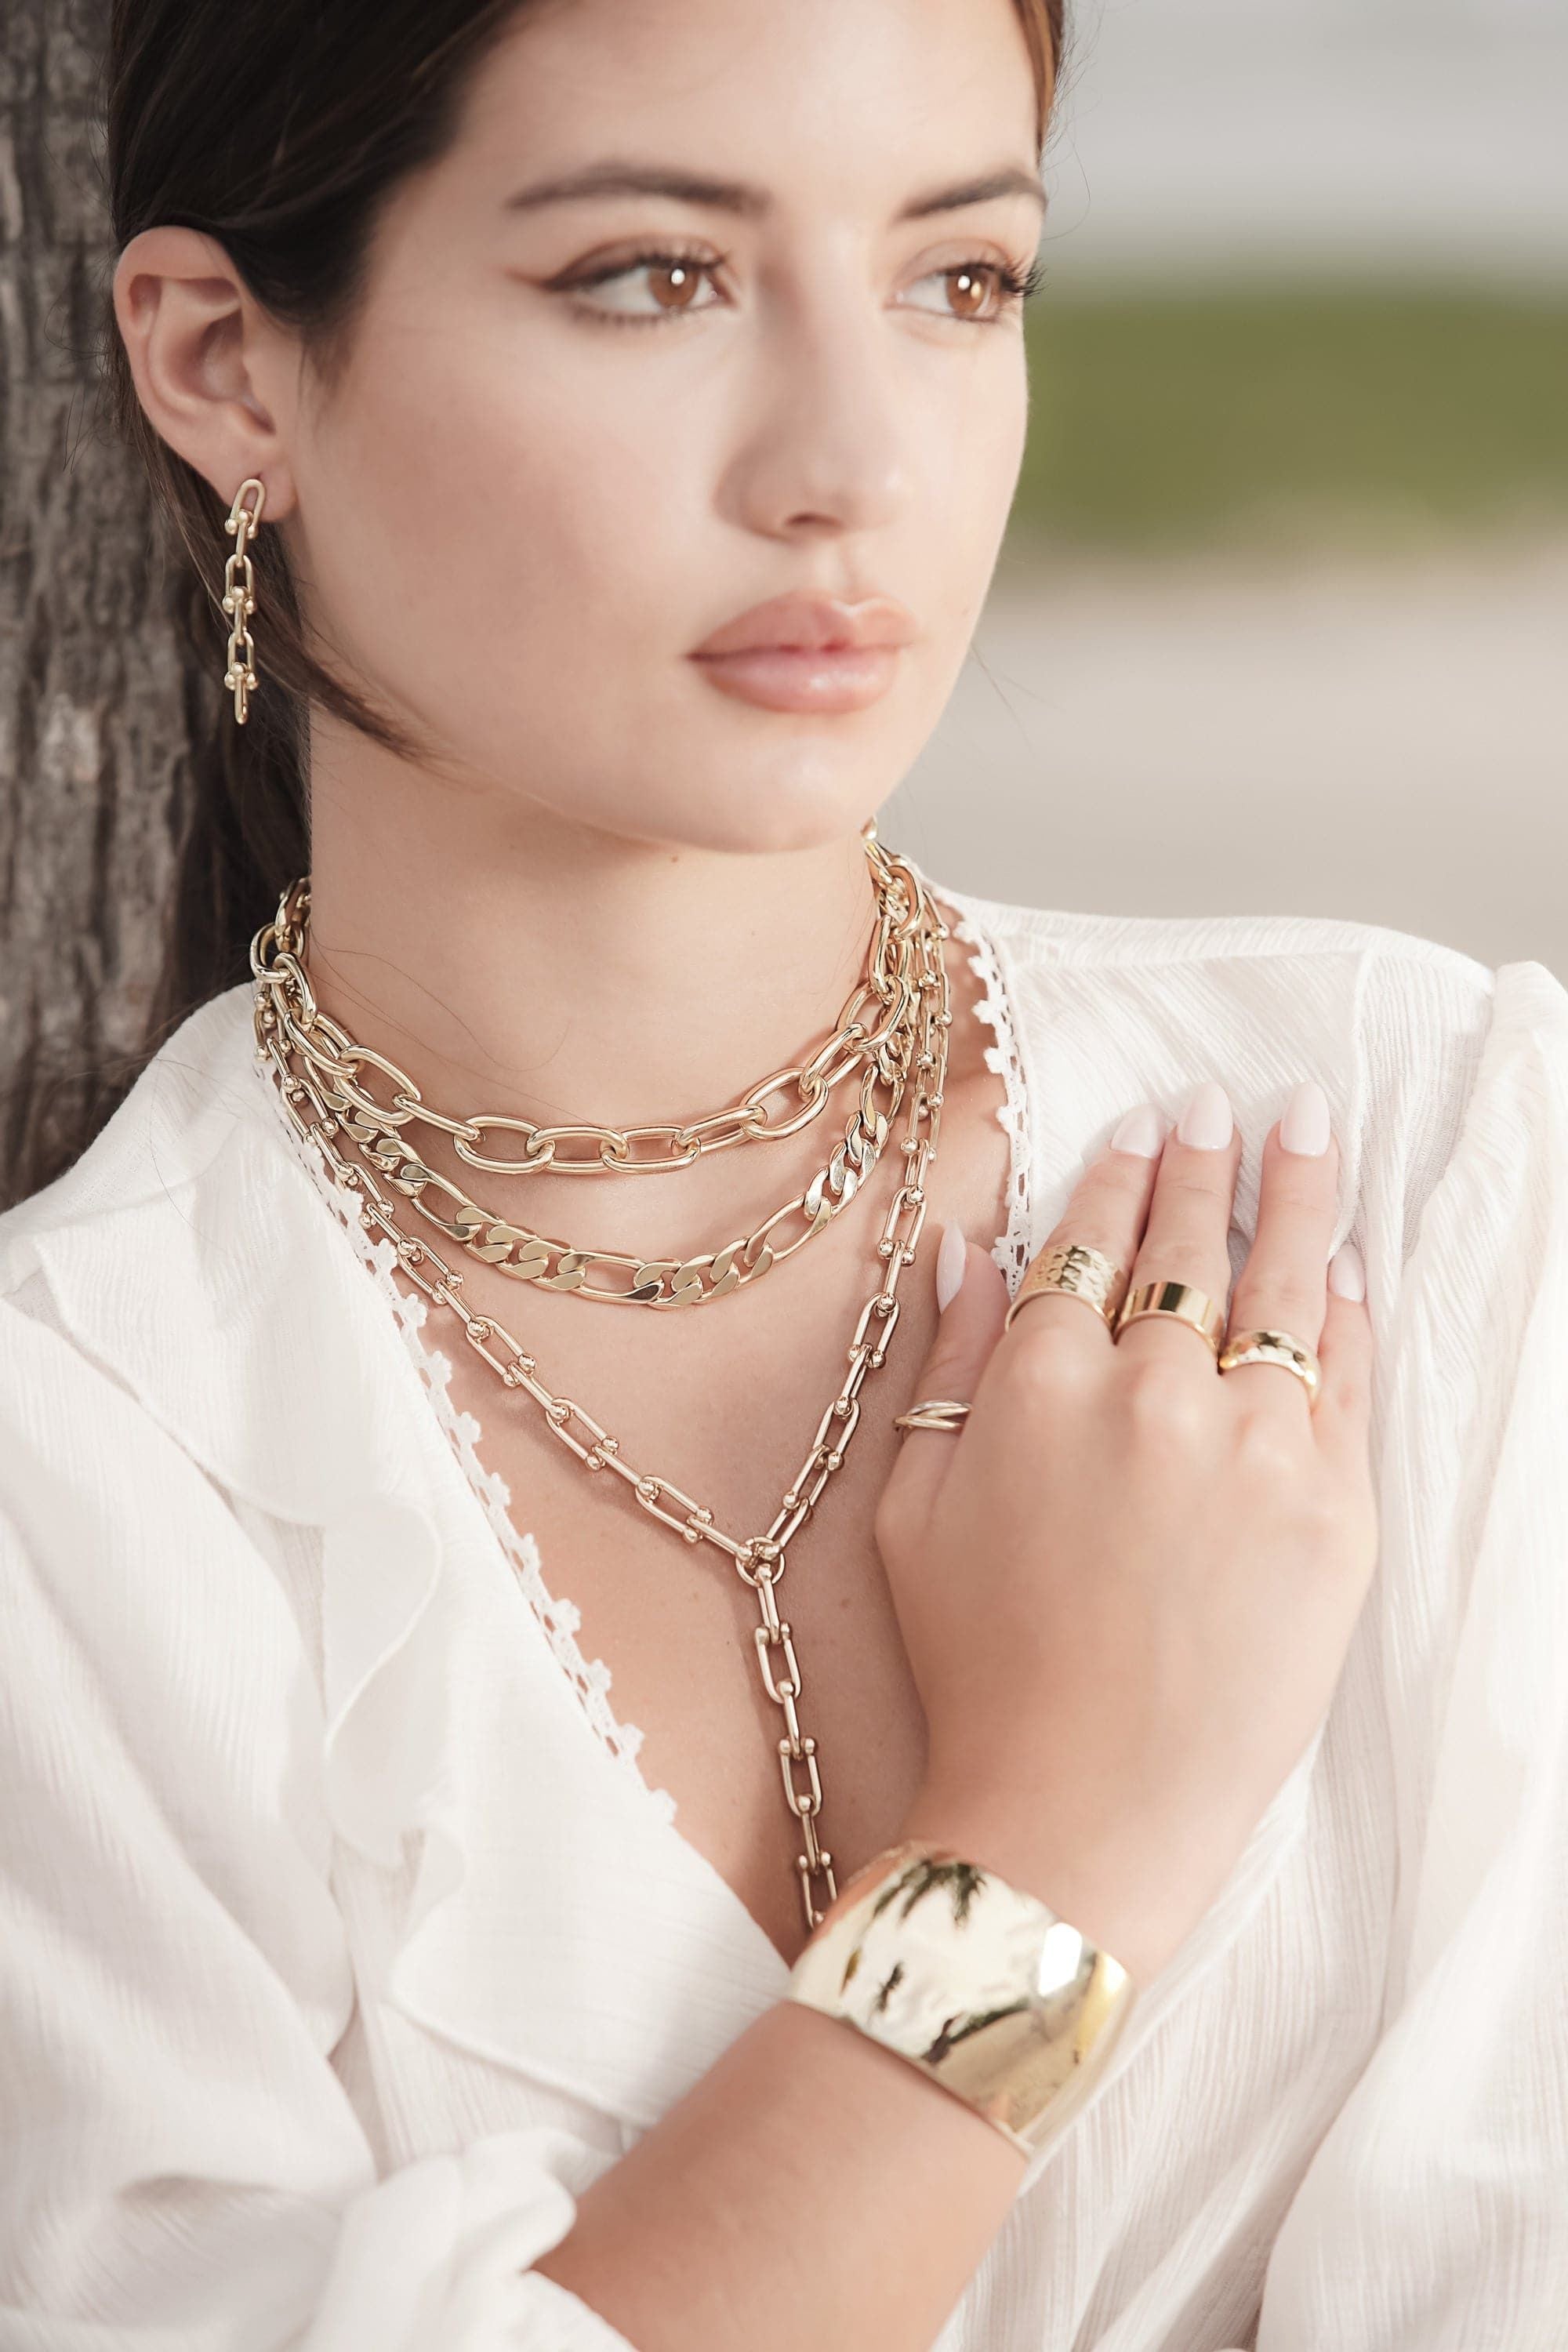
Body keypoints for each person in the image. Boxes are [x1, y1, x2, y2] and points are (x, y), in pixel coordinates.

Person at [2, 0, 1566, 2346]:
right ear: (227, 362)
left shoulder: (1438, 1151)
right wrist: (1054, 1841)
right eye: (654, 276)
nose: (855, 463)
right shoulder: (73, 1462)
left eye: (963, 280)